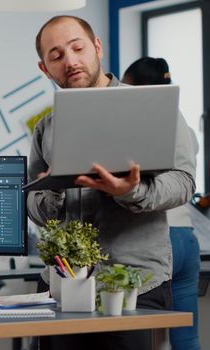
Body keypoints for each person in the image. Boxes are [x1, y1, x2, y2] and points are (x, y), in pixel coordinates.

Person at [29, 16, 196, 350]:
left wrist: (132, 192)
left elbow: (183, 182)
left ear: (97, 47)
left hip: (132, 285)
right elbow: (34, 206)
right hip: (61, 287)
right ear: (45, 68)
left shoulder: (152, 107)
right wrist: (55, 189)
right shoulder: (45, 128)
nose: (71, 61)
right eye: (57, 55)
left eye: (77, 48)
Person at [122, 57, 201, 350]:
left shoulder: (137, 122)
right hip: (186, 237)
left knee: (143, 337)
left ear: (136, 87)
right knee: (186, 338)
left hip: (157, 237)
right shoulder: (186, 128)